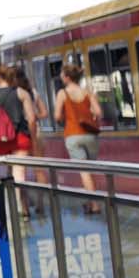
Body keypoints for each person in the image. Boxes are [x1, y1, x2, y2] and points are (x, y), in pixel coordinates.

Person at [54, 63, 104, 202]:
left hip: (73, 135)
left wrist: (65, 118)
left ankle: (94, 204)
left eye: (62, 75)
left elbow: (57, 116)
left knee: (84, 171)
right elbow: (98, 112)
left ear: (67, 77)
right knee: (91, 169)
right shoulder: (87, 92)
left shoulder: (62, 93)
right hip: (90, 135)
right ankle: (92, 198)